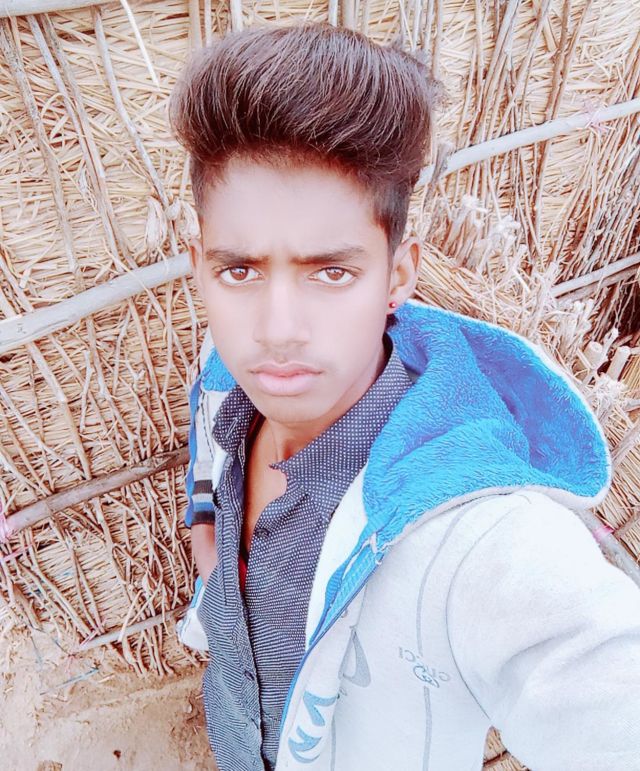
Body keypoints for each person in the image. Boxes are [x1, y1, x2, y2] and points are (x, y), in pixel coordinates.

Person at [169, 20, 640, 771]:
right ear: (200, 267)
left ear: (398, 275)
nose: (278, 329)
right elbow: (209, 430)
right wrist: (206, 528)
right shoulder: (225, 369)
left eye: (331, 272)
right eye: (241, 271)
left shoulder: (478, 537)